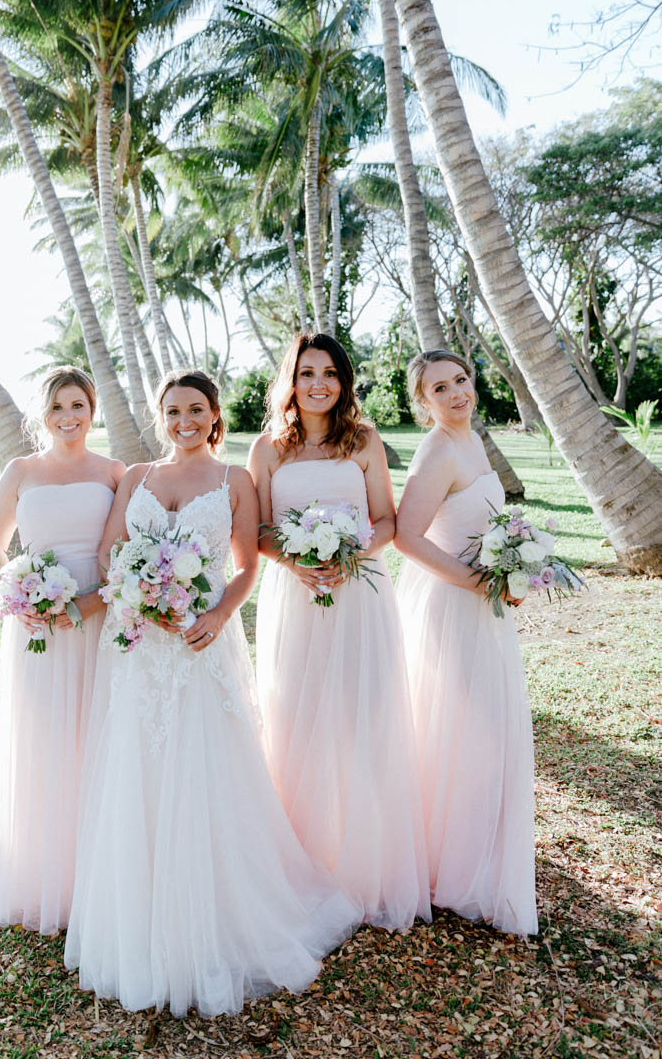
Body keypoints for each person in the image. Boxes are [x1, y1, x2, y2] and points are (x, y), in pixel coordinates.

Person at [64, 370, 358, 1017]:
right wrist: (140, 592)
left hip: (202, 641)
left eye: (196, 409)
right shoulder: (137, 476)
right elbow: (114, 551)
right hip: (140, 645)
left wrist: (217, 615)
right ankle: (142, 913)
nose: (185, 420)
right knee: (138, 766)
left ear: (216, 416)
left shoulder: (234, 482)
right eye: (173, 411)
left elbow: (249, 561)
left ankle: (221, 910)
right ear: (160, 415)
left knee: (206, 767)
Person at [249, 333, 430, 929]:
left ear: (343, 381)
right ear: (291, 381)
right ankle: (304, 860)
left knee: (362, 715)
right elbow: (261, 531)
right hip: (295, 596)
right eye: (307, 373)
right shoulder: (268, 449)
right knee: (296, 712)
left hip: (360, 595)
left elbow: (387, 520)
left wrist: (351, 552)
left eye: (329, 373)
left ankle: (366, 861)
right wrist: (300, 562)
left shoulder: (365, 440)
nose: (319, 383)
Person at [394, 349, 537, 936]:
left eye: (460, 381)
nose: (456, 393)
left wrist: (518, 567)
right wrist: (476, 578)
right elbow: (405, 536)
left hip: (487, 606)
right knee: (457, 726)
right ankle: (445, 864)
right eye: (439, 388)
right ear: (422, 403)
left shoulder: (474, 441)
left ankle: (474, 849)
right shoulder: (437, 449)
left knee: (483, 730)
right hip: (453, 605)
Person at [0, 366, 124, 934]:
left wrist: (87, 602)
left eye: (79, 406)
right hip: (35, 623)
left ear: (92, 410)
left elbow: (124, 550)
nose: (70, 417)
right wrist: (21, 592)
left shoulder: (114, 472)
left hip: (98, 612)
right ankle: (49, 877)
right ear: (43, 415)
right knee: (45, 737)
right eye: (59, 407)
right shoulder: (20, 471)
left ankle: (102, 871)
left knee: (97, 730)